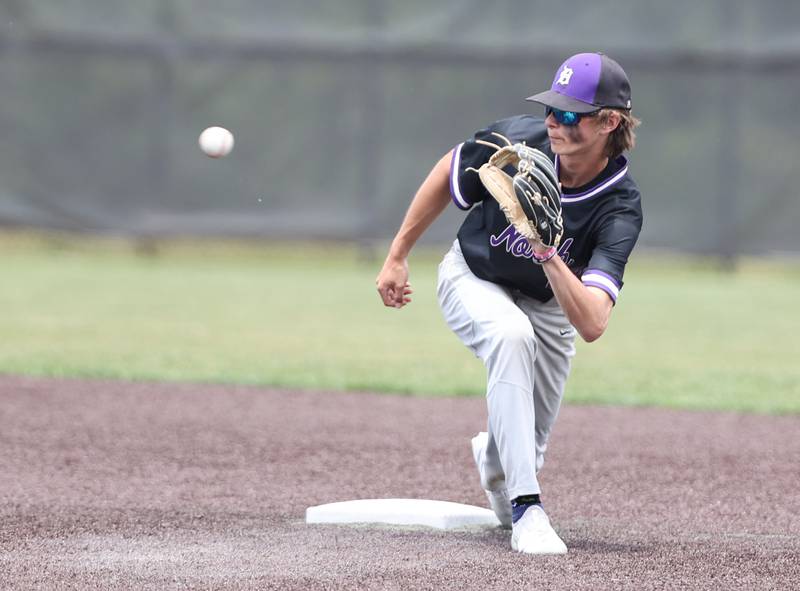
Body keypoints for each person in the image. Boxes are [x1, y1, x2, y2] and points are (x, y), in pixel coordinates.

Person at [376, 52, 642, 555]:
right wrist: (397, 256)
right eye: (550, 109)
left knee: (526, 446)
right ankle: (528, 508)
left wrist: (545, 250)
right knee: (509, 335)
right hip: (474, 276)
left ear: (610, 122)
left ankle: (499, 471)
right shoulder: (517, 145)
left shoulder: (619, 206)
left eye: (569, 114)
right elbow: (449, 169)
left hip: (548, 302)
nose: (553, 122)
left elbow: (591, 322)